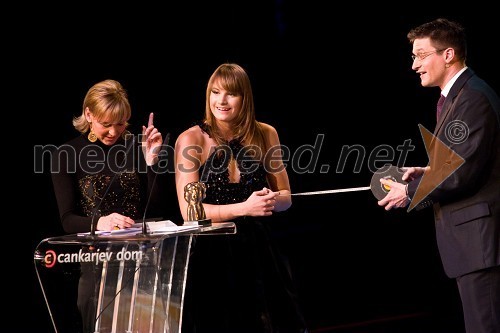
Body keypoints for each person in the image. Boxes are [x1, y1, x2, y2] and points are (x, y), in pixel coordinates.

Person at [378, 18, 500, 333]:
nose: (414, 65)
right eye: (413, 57)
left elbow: (465, 173)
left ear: (448, 55)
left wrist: (409, 192)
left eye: (421, 55)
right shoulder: (457, 96)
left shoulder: (471, 97)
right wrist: (429, 170)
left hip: (481, 243)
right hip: (471, 245)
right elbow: (468, 161)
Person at [174, 63, 307, 333]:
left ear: (244, 98)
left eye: (230, 94)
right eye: (215, 92)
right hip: (211, 255)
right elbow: (190, 213)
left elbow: (286, 197)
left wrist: (270, 201)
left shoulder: (265, 133)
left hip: (260, 252)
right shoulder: (191, 139)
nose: (221, 101)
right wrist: (245, 207)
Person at [50, 79, 165, 332]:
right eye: (106, 124)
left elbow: (155, 211)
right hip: (97, 261)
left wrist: (152, 162)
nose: (114, 132)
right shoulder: (67, 153)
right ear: (89, 115)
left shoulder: (136, 147)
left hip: (141, 257)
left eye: (121, 123)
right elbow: (67, 219)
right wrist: (100, 222)